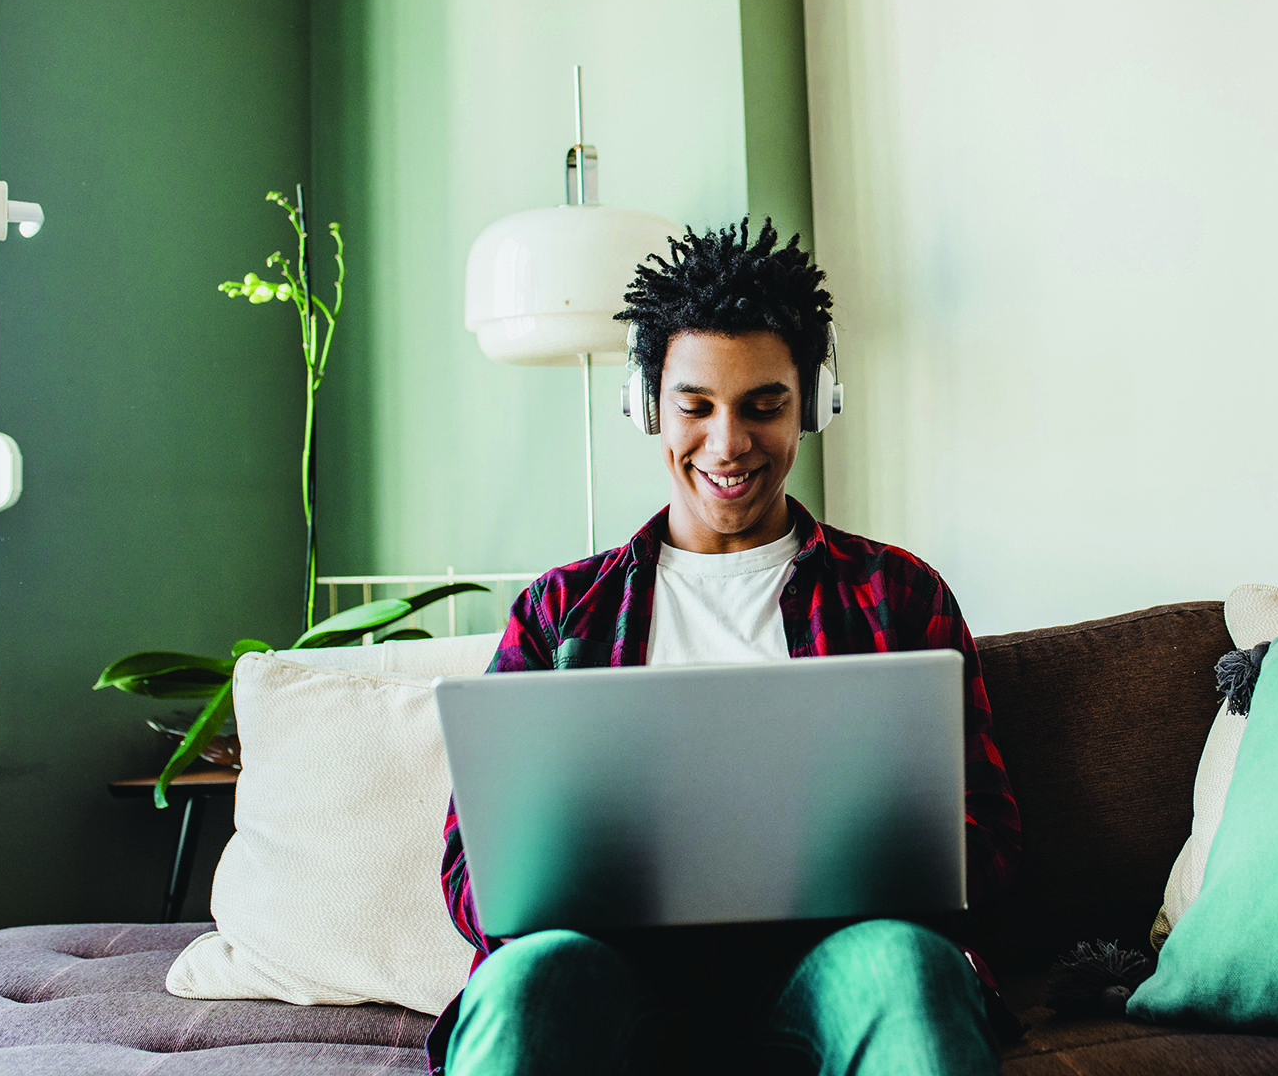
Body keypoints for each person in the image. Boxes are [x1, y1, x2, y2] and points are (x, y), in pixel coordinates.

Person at [428, 219, 1021, 1075]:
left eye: (764, 406)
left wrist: (886, 855)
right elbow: (469, 873)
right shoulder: (562, 614)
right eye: (694, 406)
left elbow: (994, 849)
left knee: (906, 967)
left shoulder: (899, 597)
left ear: (813, 403)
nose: (728, 444)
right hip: (613, 984)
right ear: (645, 403)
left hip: (834, 975)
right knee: (524, 984)